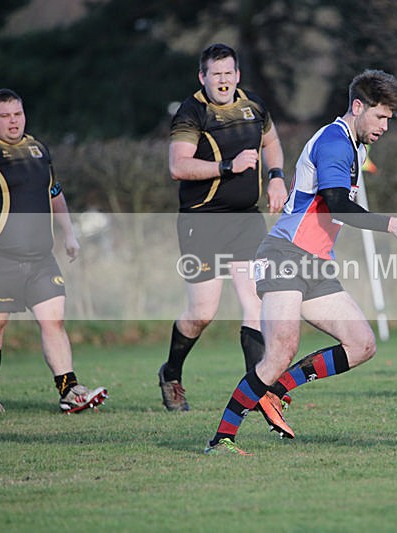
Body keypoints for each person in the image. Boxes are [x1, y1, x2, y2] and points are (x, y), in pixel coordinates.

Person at [203, 69, 397, 455]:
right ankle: (221, 439)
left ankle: (274, 391)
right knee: (281, 349)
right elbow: (338, 203)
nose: (385, 126)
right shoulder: (335, 142)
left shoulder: (356, 146)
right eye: (381, 116)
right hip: (285, 254)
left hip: (317, 264)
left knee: (361, 344)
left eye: (390, 119)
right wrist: (391, 223)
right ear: (358, 107)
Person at [158, 43, 291, 432]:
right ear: (203, 77)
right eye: (215, 74)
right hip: (202, 221)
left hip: (246, 220)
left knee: (256, 304)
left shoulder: (254, 106)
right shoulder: (191, 112)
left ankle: (261, 394)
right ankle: (171, 372)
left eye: (228, 73)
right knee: (202, 312)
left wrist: (278, 177)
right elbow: (178, 166)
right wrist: (228, 166)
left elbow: (273, 144)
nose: (223, 80)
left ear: (237, 75)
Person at [0, 88, 107, 417]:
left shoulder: (38, 149)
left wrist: (69, 234)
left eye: (18, 114)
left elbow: (55, 193)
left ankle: (69, 391)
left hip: (41, 258)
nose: (13, 121)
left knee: (53, 321)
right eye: (5, 115)